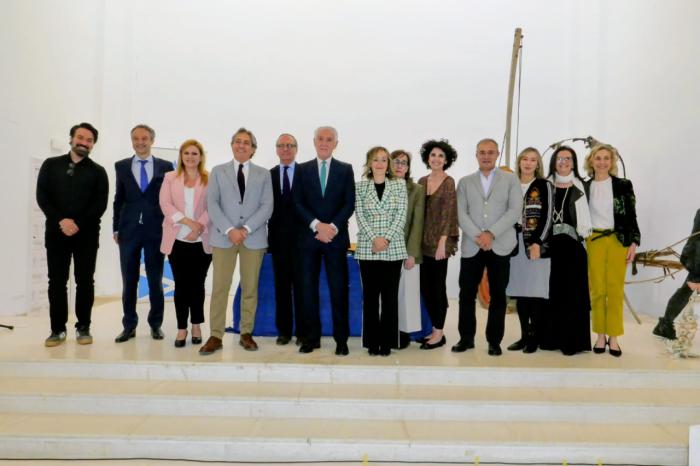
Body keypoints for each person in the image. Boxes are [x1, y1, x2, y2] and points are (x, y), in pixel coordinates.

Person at [199, 128, 273, 355]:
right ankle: (215, 335)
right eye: (238, 141)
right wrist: (230, 229)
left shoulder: (263, 174)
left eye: (246, 142)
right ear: (232, 145)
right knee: (220, 287)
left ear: (253, 149)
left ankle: (246, 332)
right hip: (224, 237)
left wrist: (246, 229)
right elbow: (212, 204)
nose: (241, 145)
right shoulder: (218, 172)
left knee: (250, 287)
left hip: (253, 238)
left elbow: (267, 206)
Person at [36, 123, 108, 347]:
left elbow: (100, 204)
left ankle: (83, 327)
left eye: (89, 140)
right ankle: (57, 329)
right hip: (56, 233)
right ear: (71, 138)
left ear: (93, 145)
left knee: (85, 281)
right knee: (56, 282)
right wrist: (61, 220)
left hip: (86, 235)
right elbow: (42, 196)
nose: (84, 143)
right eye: (81, 138)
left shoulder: (98, 172)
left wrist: (77, 224)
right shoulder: (51, 165)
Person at [453, 138, 522, 356]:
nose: (486, 156)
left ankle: (494, 341)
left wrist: (491, 234)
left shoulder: (511, 180)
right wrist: (478, 236)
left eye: (490, 152)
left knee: (498, 295)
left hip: (500, 244)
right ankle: (466, 339)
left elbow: (514, 210)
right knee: (466, 294)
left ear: (497, 154)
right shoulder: (465, 182)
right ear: (476, 155)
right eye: (482, 152)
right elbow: (460, 213)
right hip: (472, 246)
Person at [293, 126, 355, 356]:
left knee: (338, 291)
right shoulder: (302, 169)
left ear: (336, 144)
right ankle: (311, 339)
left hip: (335, 239)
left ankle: (341, 340)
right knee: (308, 291)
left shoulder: (345, 169)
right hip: (309, 239)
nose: (324, 143)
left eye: (329, 139)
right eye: (320, 139)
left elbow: (349, 203)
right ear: (314, 141)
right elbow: (297, 202)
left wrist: (332, 228)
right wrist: (317, 225)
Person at [113, 124, 173, 343]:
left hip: (155, 230)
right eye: (136, 139)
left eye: (144, 138)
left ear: (152, 140)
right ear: (132, 141)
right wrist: (116, 227)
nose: (140, 142)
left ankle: (155, 325)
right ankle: (129, 326)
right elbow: (119, 199)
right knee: (129, 280)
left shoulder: (166, 166)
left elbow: (169, 199)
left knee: (155, 279)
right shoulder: (121, 166)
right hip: (128, 231)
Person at [583, 144, 640, 357]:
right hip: (594, 240)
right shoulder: (584, 186)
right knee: (597, 290)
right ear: (591, 161)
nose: (602, 162)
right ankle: (600, 335)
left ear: (612, 161)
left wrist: (634, 242)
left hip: (618, 240)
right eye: (598, 158)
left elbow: (632, 215)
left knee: (615, 289)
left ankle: (614, 337)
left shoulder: (623, 185)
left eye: (606, 158)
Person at [159, 139, 212, 348]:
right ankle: (182, 328)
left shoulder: (209, 179)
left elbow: (213, 206)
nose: (190, 157)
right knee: (181, 285)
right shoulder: (170, 178)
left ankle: (196, 325)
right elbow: (165, 204)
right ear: (181, 156)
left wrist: (199, 227)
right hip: (177, 240)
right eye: (186, 153)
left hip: (202, 240)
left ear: (201, 157)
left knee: (198, 285)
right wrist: (190, 224)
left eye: (194, 153)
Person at [355, 146, 408, 356]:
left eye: (383, 160)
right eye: (375, 159)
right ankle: (371, 342)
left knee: (389, 298)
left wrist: (385, 239)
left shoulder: (399, 185)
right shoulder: (360, 187)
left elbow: (401, 215)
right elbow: (360, 216)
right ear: (369, 163)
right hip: (368, 248)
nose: (379, 163)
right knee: (370, 298)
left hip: (392, 247)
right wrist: (374, 239)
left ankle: (387, 342)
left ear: (388, 164)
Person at [544, 145, 592, 355]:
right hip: (549, 247)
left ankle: (572, 342)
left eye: (568, 158)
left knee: (573, 296)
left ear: (574, 163)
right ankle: (550, 339)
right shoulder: (544, 185)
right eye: (559, 158)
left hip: (573, 248)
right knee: (551, 293)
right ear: (553, 162)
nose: (563, 162)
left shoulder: (582, 187)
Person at [505, 147, 553, 354]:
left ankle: (535, 337)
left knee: (535, 293)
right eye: (524, 159)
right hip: (513, 243)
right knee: (521, 292)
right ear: (519, 162)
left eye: (533, 160)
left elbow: (548, 216)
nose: (528, 163)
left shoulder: (544, 185)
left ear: (537, 164)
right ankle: (524, 335)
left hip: (535, 245)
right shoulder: (511, 184)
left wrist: (537, 242)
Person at [417, 139, 459, 350]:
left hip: (439, 244)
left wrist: (443, 242)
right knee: (425, 287)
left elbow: (448, 214)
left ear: (446, 160)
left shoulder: (449, 182)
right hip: (421, 243)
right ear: (427, 158)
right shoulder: (421, 181)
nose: (436, 159)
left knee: (437, 288)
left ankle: (439, 333)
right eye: (433, 155)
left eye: (441, 156)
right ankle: (433, 328)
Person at [268, 133, 303, 345]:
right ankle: (284, 331)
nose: (285, 149)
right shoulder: (268, 175)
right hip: (278, 241)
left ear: (296, 148)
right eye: (281, 145)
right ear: (276, 149)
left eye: (290, 145)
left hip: (302, 241)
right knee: (281, 288)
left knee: (302, 288)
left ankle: (302, 332)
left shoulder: (306, 172)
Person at [390, 150, 425, 349]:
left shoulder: (416, 190)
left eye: (404, 162)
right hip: (384, 250)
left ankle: (403, 333)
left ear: (408, 167)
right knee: (388, 295)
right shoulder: (381, 185)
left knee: (407, 294)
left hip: (407, 250)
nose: (399, 165)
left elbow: (417, 223)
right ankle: (388, 331)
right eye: (396, 161)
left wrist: (411, 253)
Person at [653, 209, 700, 340]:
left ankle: (664, 324)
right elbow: (696, 241)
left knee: (686, 291)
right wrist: (695, 270)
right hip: (698, 260)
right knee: (686, 290)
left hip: (697, 261)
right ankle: (665, 324)